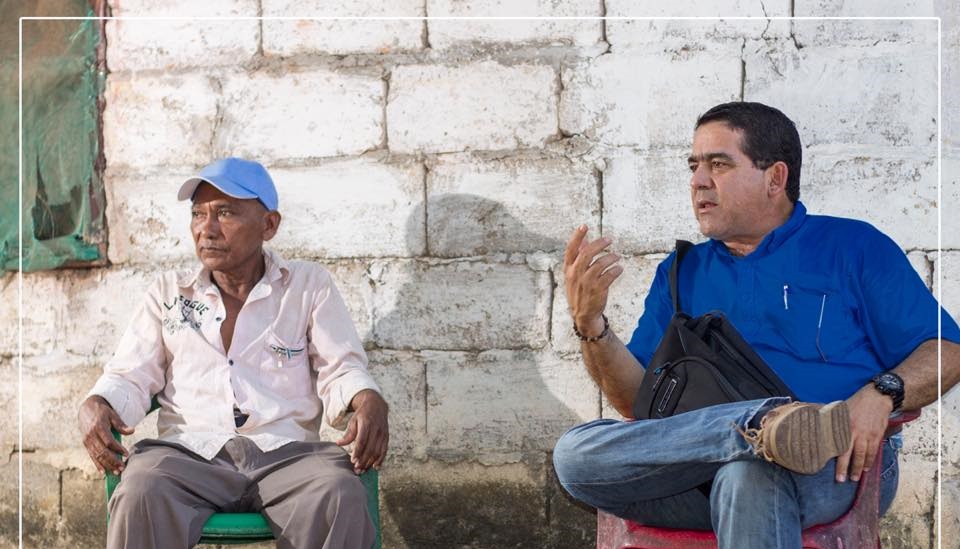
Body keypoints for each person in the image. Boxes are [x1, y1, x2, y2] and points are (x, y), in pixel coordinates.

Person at [552, 101, 960, 548]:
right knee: (574, 455)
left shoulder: (852, 247)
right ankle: (762, 426)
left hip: (834, 465)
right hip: (695, 472)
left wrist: (882, 391)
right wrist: (590, 323)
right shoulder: (683, 270)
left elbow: (948, 351)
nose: (698, 181)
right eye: (694, 166)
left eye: (718, 164)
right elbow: (636, 401)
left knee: (746, 476)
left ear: (775, 178)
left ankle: (771, 435)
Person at [77, 157, 389, 549]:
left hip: (288, 457)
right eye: (198, 214)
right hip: (188, 458)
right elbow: (130, 375)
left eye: (224, 213)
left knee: (338, 492)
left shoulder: (308, 286)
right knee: (140, 489)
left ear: (268, 225)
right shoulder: (169, 293)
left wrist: (367, 398)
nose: (206, 229)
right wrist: (98, 402)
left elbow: (340, 367)